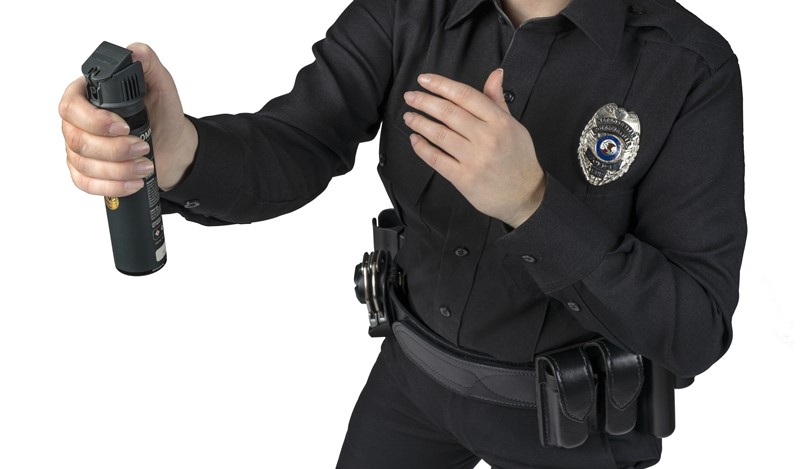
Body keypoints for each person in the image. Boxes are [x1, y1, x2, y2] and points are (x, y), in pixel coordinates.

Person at [58, 0, 747, 467]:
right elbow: (300, 140)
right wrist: (181, 150)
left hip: (578, 421)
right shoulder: (406, 8)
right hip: (413, 381)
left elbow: (694, 327)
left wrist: (533, 203)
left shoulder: (691, 67)